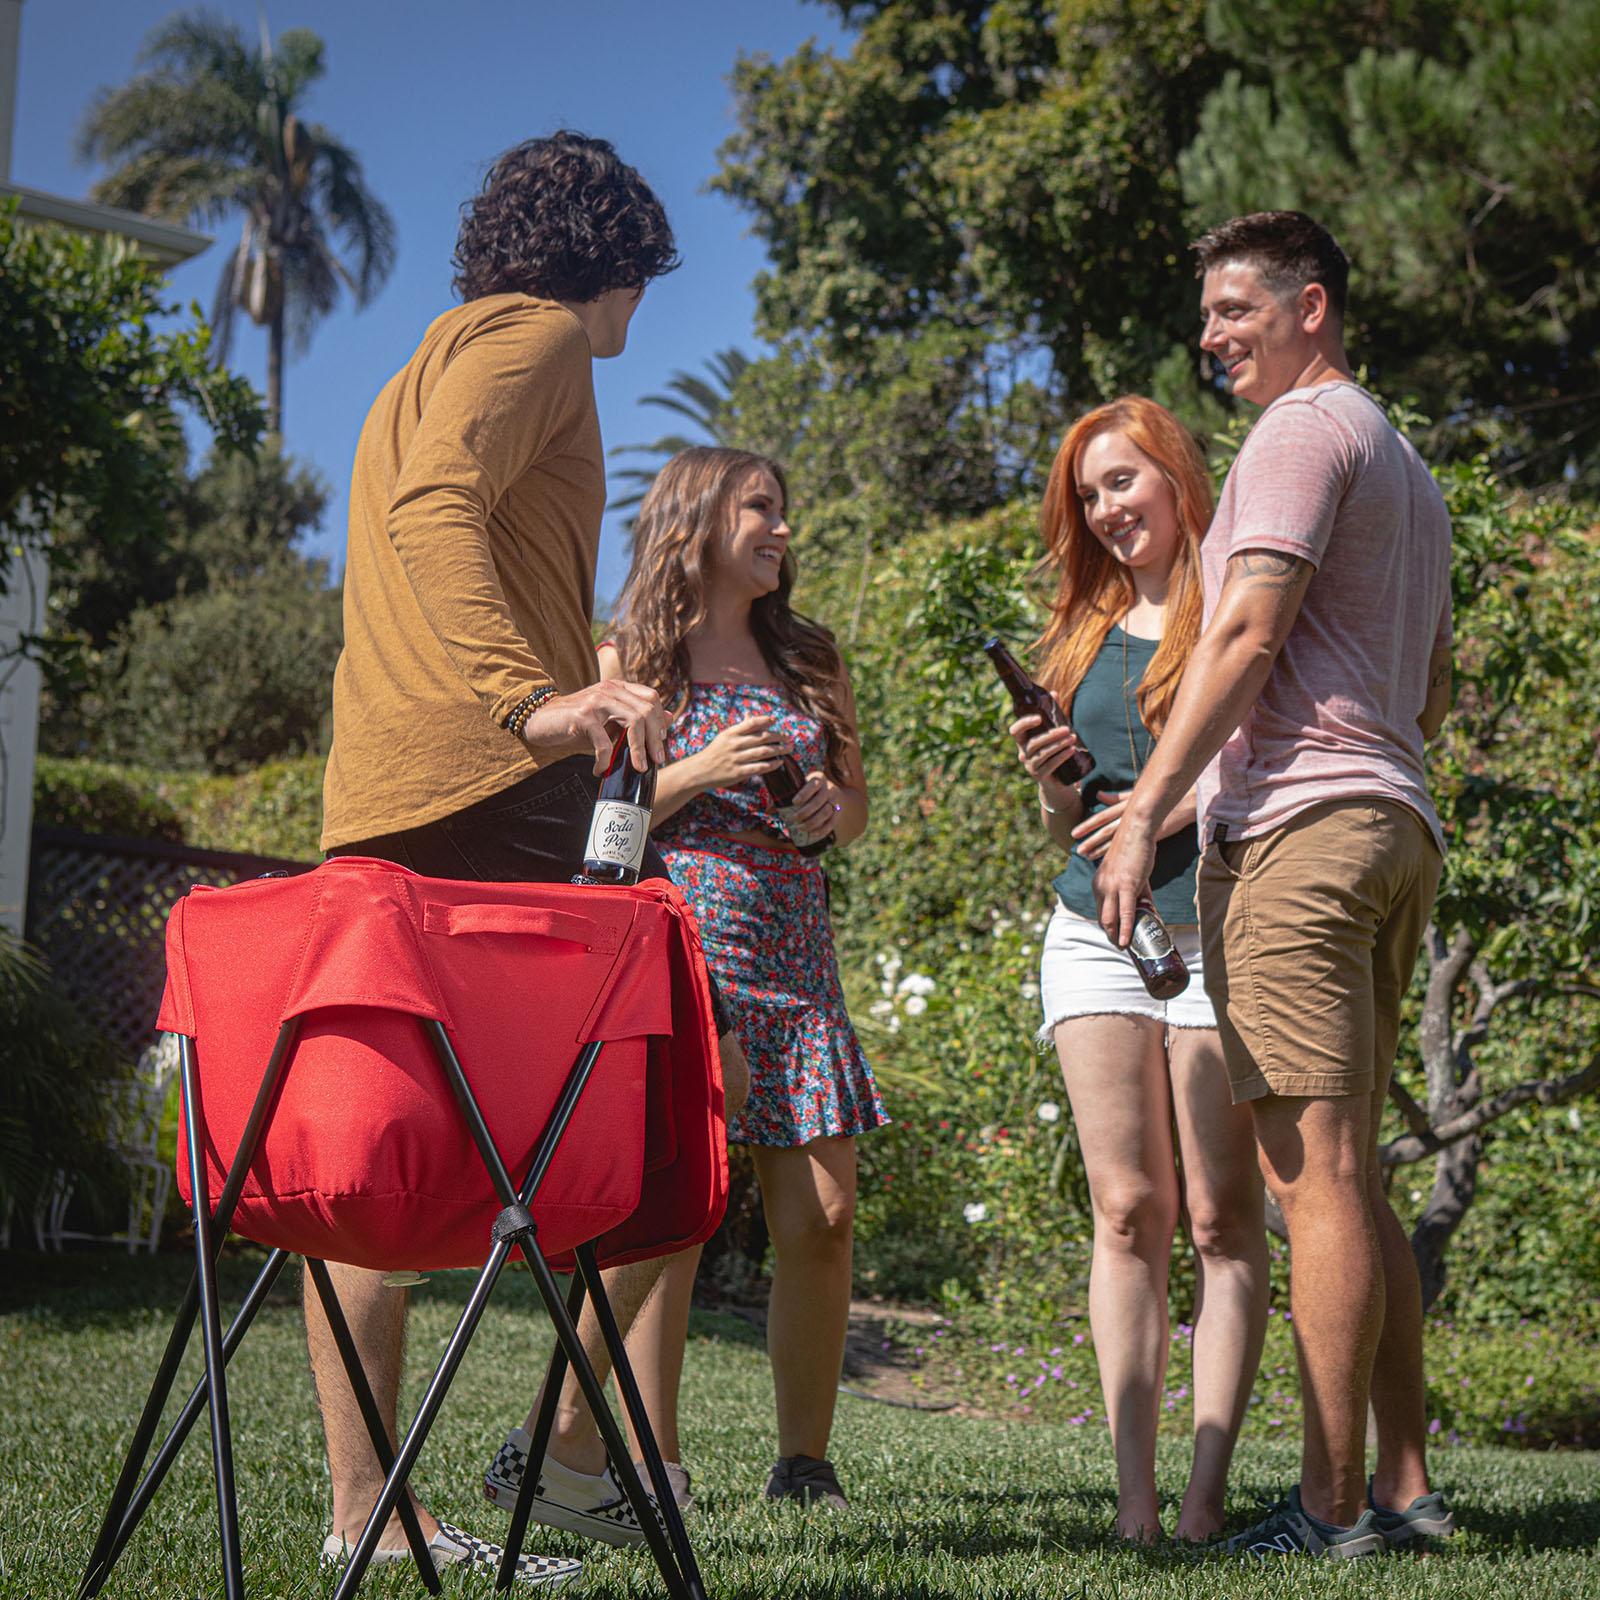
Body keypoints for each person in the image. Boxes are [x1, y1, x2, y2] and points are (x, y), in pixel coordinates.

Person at [315, 131, 748, 1580]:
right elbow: (437, 506)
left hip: (384, 793)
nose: (635, 328)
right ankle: (569, 1462)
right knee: (663, 1108)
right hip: (486, 791)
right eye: (642, 292)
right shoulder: (545, 340)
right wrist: (538, 699)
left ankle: (365, 1511)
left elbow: (430, 514)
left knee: (373, 1155)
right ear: (617, 269)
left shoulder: (427, 356)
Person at [1093, 211, 1455, 1559]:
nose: (1211, 338)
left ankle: (1326, 1504)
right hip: (1390, 820)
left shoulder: (1301, 436)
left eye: (1236, 311)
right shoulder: (1405, 462)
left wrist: (1141, 820)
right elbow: (1428, 683)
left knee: (1318, 1180)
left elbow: (1246, 630)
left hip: (1306, 840)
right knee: (1350, 1177)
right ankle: (1408, 1487)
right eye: (1206, 319)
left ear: (1313, 305)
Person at [598, 445, 887, 1512]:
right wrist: (698, 771)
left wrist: (825, 812)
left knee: (821, 1216)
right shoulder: (633, 658)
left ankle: (803, 1464)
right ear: (697, 519)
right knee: (678, 1218)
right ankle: (655, 1464)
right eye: (759, 506)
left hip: (797, 957)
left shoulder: (809, 656)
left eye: (783, 507)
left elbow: (852, 808)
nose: (781, 528)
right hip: (683, 960)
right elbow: (606, 831)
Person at [1008, 397, 1268, 1542]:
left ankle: (1206, 1499)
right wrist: (1057, 784)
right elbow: (1075, 812)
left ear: (1174, 473)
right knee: (1126, 1208)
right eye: (1090, 494)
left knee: (1219, 1219)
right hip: (1092, 933)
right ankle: (1134, 1507)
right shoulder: (1080, 626)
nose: (1109, 509)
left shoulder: (1241, 611)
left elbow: (1260, 760)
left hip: (1212, 928)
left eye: (1124, 481)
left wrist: (1164, 809)